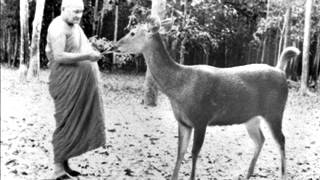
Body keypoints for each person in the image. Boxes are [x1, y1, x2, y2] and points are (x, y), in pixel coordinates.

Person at [45, 0, 106, 179]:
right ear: (63, 9)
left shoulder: (75, 26)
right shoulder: (58, 28)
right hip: (65, 83)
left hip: (78, 83)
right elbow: (59, 56)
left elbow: (82, 46)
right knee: (65, 124)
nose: (78, 16)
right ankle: (57, 170)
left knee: (73, 123)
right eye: (75, 12)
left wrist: (93, 53)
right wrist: (88, 56)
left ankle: (65, 166)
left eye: (81, 12)